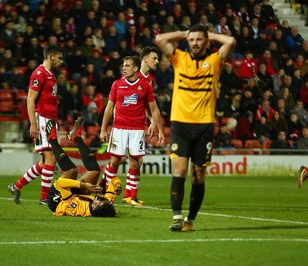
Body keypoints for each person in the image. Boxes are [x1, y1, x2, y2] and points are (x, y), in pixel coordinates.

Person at [155, 24, 236, 232]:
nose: (194, 43)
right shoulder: (179, 58)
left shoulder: (215, 61)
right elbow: (160, 39)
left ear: (206, 41)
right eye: (191, 40)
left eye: (199, 39)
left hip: (204, 126)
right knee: (179, 169)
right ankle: (176, 216)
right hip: (180, 124)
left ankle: (190, 220)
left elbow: (231, 41)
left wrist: (210, 36)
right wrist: (184, 33)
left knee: (198, 175)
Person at [100, 55, 165, 207]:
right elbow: (109, 108)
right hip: (119, 128)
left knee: (136, 162)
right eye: (123, 65)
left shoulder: (146, 86)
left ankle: (132, 197)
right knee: (115, 160)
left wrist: (160, 130)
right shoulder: (117, 84)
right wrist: (103, 129)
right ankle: (107, 193)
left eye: (127, 65)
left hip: (137, 129)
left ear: (135, 68)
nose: (124, 68)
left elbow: (154, 109)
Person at [7, 44, 64, 205]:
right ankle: (44, 198)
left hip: (51, 120)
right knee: (51, 158)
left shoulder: (50, 75)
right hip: (43, 120)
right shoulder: (39, 74)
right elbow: (30, 100)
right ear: (51, 56)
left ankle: (16, 186)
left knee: (44, 162)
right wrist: (33, 124)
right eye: (59, 57)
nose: (61, 61)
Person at [45, 116, 121, 217]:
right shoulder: (105, 202)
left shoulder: (77, 207)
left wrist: (84, 185)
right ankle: (76, 137)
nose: (100, 196)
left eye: (99, 200)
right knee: (95, 171)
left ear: (94, 207)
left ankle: (52, 139)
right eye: (103, 198)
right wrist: (118, 185)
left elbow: (60, 183)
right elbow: (113, 180)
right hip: (76, 196)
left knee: (72, 171)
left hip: (58, 198)